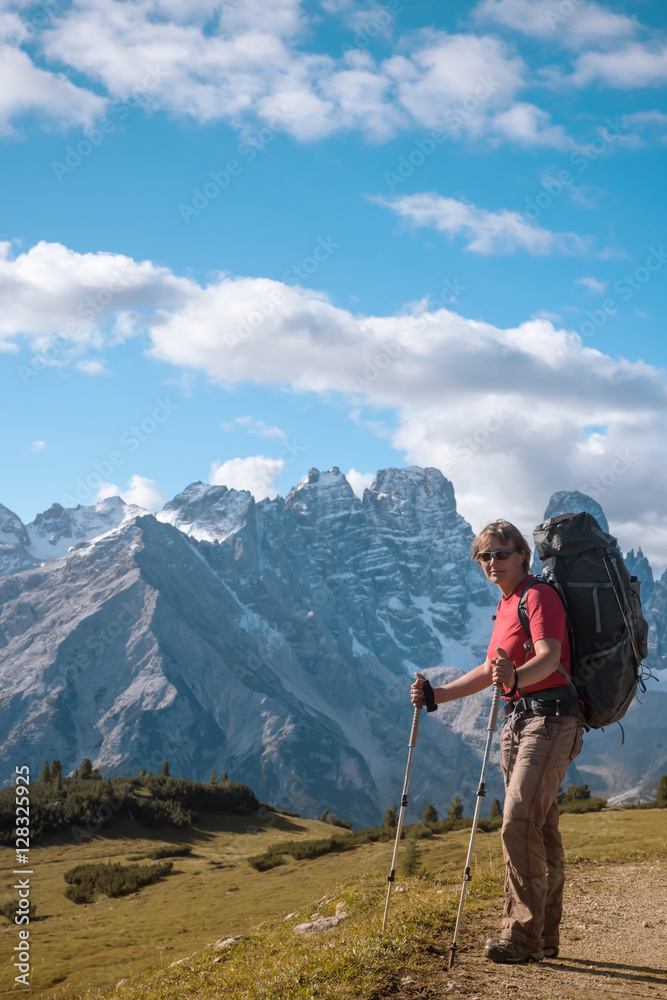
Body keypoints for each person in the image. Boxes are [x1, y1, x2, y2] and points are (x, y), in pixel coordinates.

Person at [411, 519, 584, 965]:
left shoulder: (538, 596)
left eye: (500, 553)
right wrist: (438, 695)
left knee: (517, 823)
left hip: (550, 719)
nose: (491, 562)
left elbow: (547, 657)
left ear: (522, 554)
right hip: (520, 721)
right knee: (539, 828)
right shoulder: (508, 605)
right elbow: (491, 668)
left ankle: (521, 936)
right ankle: (543, 936)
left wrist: (515, 679)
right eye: (483, 556)